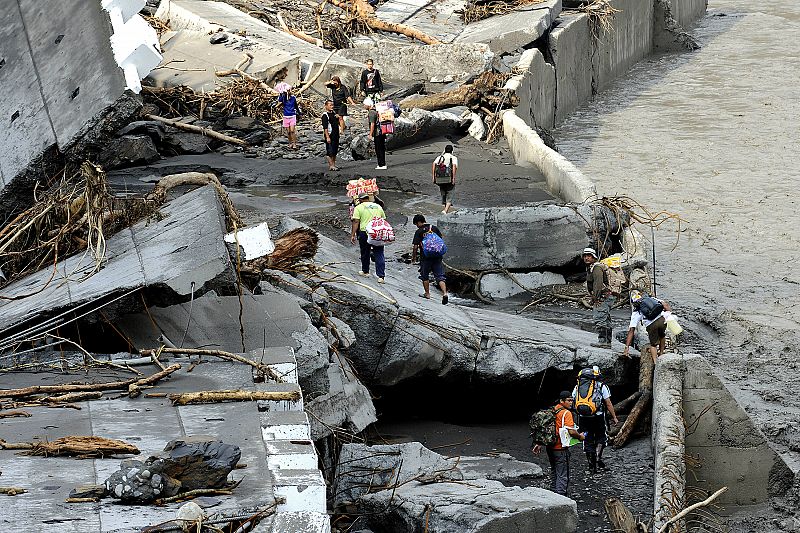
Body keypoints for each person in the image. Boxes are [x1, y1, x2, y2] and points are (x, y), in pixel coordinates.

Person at [532, 391, 585, 496]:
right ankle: (561, 495)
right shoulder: (566, 413)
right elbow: (571, 431)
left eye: (572, 400)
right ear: (562, 401)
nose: (571, 403)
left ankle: (553, 493)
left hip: (550, 446)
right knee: (562, 473)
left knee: (554, 471)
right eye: (569, 401)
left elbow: (545, 428)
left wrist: (539, 443)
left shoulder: (553, 410)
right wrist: (580, 437)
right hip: (560, 448)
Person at [572, 367, 618, 475]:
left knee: (587, 439)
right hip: (598, 418)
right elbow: (608, 403)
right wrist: (614, 417)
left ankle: (591, 466)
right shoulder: (601, 386)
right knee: (601, 437)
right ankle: (597, 457)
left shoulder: (577, 387)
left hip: (583, 418)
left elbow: (573, 401)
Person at [623, 290, 672, 364]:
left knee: (653, 345)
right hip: (662, 320)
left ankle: (656, 363)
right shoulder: (652, 299)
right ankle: (661, 353)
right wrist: (670, 316)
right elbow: (666, 305)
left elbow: (631, 330)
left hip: (652, 325)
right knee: (662, 335)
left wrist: (627, 347)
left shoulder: (636, 312)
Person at [411, 214, 449, 305]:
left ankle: (427, 294)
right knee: (439, 275)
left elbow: (415, 247)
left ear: (419, 222)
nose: (416, 225)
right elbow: (440, 240)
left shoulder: (419, 231)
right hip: (437, 256)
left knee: (425, 275)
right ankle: (444, 293)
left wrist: (414, 257)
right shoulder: (434, 228)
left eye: (416, 223)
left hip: (426, 257)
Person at [583, 247, 615, 348]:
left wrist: (594, 298)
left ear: (594, 258)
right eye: (585, 256)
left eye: (589, 256)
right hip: (607, 296)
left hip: (603, 297)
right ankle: (607, 342)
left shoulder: (596, 268)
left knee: (600, 318)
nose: (586, 258)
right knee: (606, 319)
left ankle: (603, 342)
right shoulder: (592, 267)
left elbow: (598, 284)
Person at [351, 192, 386, 283]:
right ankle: (381, 276)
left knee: (365, 252)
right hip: (377, 232)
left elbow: (356, 222)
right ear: (368, 198)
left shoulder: (358, 208)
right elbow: (383, 219)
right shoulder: (378, 207)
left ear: (361, 199)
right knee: (379, 252)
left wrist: (353, 235)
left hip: (364, 232)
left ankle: (365, 271)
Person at [431, 145, 458, 214]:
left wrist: (434, 177)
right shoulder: (453, 158)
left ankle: (445, 207)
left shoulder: (439, 157)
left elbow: (434, 164)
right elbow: (454, 167)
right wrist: (453, 178)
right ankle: (445, 211)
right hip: (448, 179)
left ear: (445, 150)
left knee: (443, 193)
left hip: (440, 179)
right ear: (452, 151)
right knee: (450, 194)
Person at [365, 98, 387, 170]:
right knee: (382, 148)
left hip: (377, 133)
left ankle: (381, 165)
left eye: (365, 104)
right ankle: (383, 164)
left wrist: (370, 134)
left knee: (378, 149)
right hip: (382, 131)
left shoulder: (371, 112)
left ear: (368, 105)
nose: (364, 106)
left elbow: (372, 124)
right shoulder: (376, 110)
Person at [321, 100, 340, 171]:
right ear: (326, 106)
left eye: (332, 105)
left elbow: (338, 123)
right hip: (329, 134)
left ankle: (333, 164)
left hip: (336, 134)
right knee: (329, 151)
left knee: (335, 150)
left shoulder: (334, 113)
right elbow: (325, 127)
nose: (332, 106)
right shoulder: (325, 115)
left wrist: (338, 118)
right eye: (330, 105)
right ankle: (331, 165)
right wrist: (327, 137)